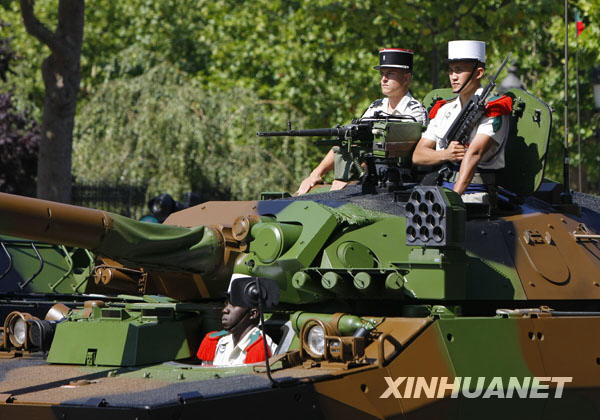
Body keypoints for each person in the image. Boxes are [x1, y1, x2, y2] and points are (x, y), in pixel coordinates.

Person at [296, 48, 427, 195]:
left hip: (398, 181)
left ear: (406, 78)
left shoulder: (414, 111)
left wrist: (350, 175)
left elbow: (398, 152)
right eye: (382, 74)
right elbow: (352, 138)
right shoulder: (376, 106)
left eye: (390, 74)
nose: (383, 79)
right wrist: (316, 173)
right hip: (373, 177)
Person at [412, 40, 511, 200]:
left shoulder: (493, 108)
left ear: (478, 73)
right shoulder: (444, 110)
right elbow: (418, 155)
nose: (453, 77)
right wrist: (446, 154)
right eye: (451, 71)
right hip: (440, 184)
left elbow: (475, 153)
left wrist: (454, 199)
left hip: (475, 189)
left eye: (459, 71)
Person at [196, 297, 277, 366]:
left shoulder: (262, 347)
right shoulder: (219, 341)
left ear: (253, 314)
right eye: (226, 304)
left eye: (234, 305)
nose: (224, 310)